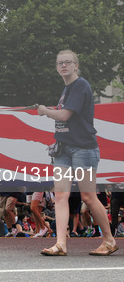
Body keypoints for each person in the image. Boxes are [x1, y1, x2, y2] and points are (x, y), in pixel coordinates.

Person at [38, 50, 118, 256]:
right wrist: (49, 110)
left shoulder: (80, 85)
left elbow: (64, 115)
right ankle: (61, 244)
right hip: (64, 149)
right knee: (61, 195)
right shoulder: (67, 89)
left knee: (89, 197)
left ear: (75, 65)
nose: (63, 66)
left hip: (83, 149)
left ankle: (109, 240)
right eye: (60, 63)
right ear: (57, 67)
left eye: (68, 62)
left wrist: (45, 111)